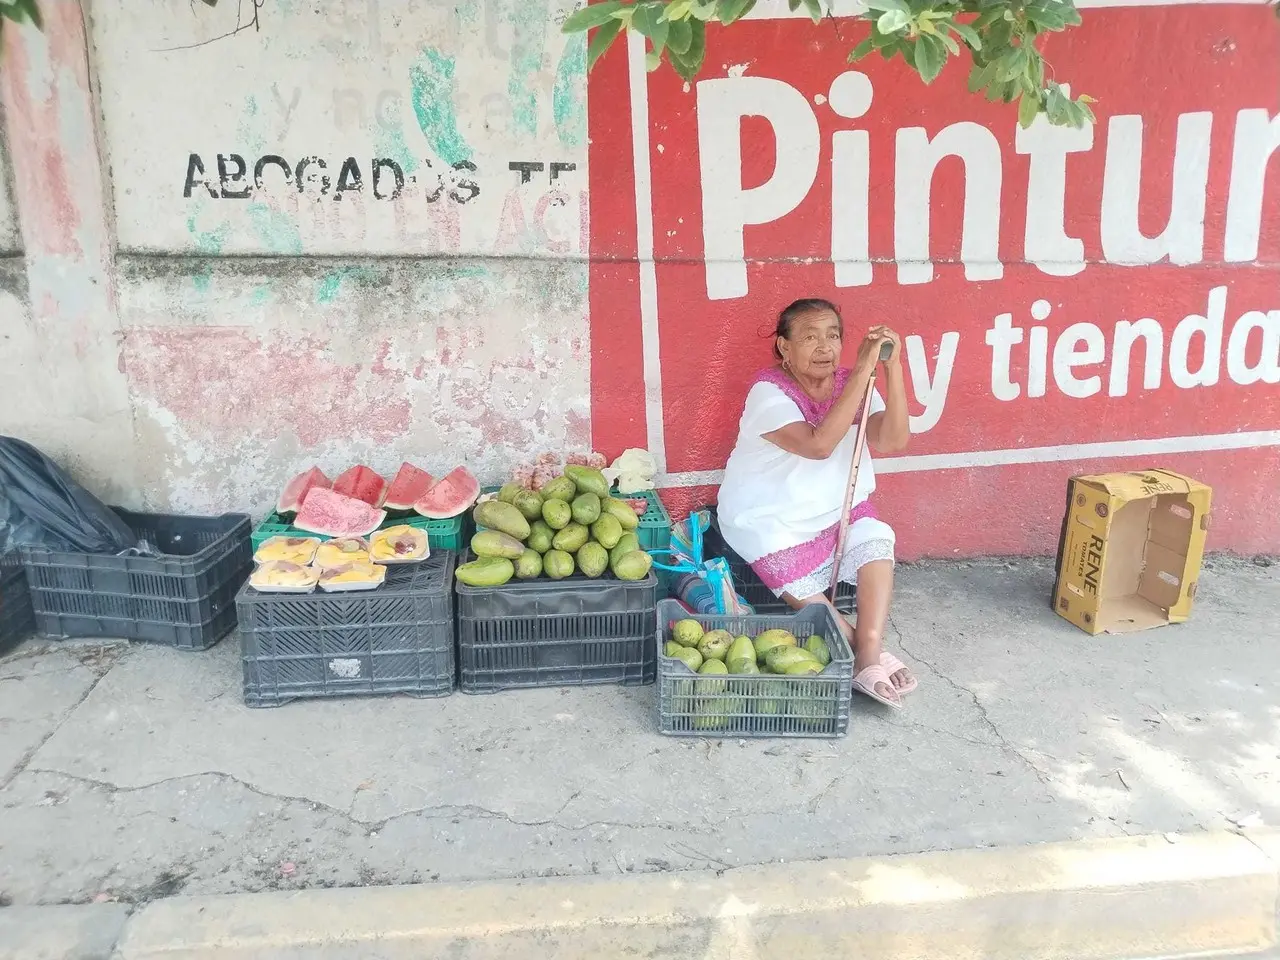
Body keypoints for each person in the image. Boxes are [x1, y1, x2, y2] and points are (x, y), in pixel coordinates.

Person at [716, 298, 915, 708]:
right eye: (809, 337)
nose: (825, 347)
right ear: (785, 348)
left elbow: (892, 440)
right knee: (782, 559)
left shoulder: (853, 382)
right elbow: (819, 445)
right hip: (768, 515)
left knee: (876, 536)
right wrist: (863, 370)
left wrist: (891, 369)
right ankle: (865, 655)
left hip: (834, 508)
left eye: (833, 336)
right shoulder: (767, 392)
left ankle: (870, 647)